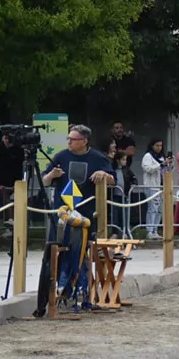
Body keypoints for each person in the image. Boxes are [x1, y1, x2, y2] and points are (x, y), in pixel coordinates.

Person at [41, 125, 116, 307]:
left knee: (84, 251)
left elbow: (113, 181)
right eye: (68, 139)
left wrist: (104, 174)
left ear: (84, 141)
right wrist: (53, 174)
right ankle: (58, 288)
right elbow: (44, 180)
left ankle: (83, 289)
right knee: (58, 249)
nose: (69, 142)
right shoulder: (60, 156)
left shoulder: (98, 158)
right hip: (63, 213)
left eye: (72, 139)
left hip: (88, 213)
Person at [140, 139, 171, 240]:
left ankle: (155, 230)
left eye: (161, 145)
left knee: (160, 209)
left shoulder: (162, 157)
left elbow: (166, 171)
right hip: (151, 185)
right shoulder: (148, 156)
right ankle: (149, 230)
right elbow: (147, 168)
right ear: (152, 146)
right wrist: (161, 165)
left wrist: (169, 164)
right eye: (157, 145)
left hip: (161, 186)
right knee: (152, 208)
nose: (159, 148)